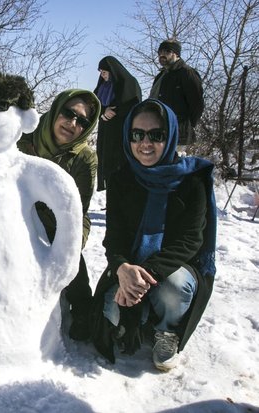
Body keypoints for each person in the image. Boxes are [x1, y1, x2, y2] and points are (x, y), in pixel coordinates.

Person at [91, 99, 216, 371]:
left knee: (174, 289)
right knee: (110, 313)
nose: (145, 143)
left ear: (169, 135)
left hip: (173, 268)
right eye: (137, 134)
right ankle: (138, 314)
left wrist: (144, 276)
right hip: (131, 262)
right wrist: (122, 267)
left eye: (156, 135)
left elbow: (190, 240)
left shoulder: (191, 181)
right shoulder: (122, 178)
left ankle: (167, 329)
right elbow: (115, 236)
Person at [17, 89, 101, 341]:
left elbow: (77, 211)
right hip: (19, 209)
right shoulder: (25, 135)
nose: (72, 123)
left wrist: (69, 243)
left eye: (83, 121)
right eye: (69, 113)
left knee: (70, 247)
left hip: (59, 218)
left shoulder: (84, 158)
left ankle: (82, 305)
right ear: (57, 109)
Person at [94, 56, 142, 191]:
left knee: (120, 166)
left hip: (122, 131)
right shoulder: (103, 86)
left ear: (112, 70)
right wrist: (103, 111)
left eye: (104, 72)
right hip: (106, 132)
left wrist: (115, 111)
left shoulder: (128, 83)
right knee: (107, 165)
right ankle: (110, 198)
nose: (102, 75)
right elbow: (93, 104)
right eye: (100, 72)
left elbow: (133, 105)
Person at [149, 39, 204, 147]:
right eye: (160, 52)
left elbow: (197, 104)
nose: (162, 55)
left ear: (176, 54)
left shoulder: (187, 73)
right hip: (158, 132)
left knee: (176, 163)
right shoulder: (161, 76)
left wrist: (186, 126)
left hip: (178, 134)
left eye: (167, 52)